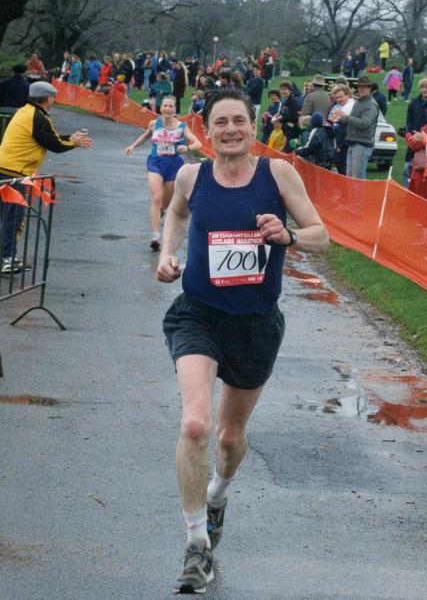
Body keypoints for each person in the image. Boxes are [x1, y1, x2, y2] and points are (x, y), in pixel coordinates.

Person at [156, 87, 328, 594]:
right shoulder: (192, 174)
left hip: (256, 323)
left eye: (239, 120)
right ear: (206, 131)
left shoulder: (279, 175)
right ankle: (195, 546)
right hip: (198, 315)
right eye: (220, 122)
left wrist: (289, 236)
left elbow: (321, 233)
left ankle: (219, 494)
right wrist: (167, 253)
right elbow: (178, 213)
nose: (230, 129)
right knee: (194, 424)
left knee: (229, 439)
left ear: (253, 126)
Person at [0, 81, 91, 272]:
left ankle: (8, 256)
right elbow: (55, 145)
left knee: (8, 217)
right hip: (14, 172)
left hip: (7, 169)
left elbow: (49, 138)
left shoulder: (26, 111)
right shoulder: (37, 117)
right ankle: (7, 258)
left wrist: (69, 139)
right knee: (13, 217)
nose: (54, 101)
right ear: (47, 98)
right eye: (53, 98)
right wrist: (74, 143)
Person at [125, 96, 202, 250]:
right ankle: (155, 236)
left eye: (170, 106)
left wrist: (186, 148)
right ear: (161, 108)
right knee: (156, 197)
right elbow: (146, 136)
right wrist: (133, 146)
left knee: (165, 203)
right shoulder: (154, 124)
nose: (167, 109)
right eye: (165, 106)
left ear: (174, 109)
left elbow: (198, 143)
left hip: (173, 165)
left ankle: (160, 210)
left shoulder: (182, 127)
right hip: (155, 162)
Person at [330, 76, 379, 180]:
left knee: (357, 180)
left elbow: (364, 123)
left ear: (370, 88)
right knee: (350, 178)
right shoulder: (358, 102)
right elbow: (352, 121)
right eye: (360, 86)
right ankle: (352, 196)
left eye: (364, 87)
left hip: (362, 144)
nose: (361, 89)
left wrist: (345, 116)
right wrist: (339, 120)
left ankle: (358, 197)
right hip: (352, 143)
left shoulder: (371, 105)